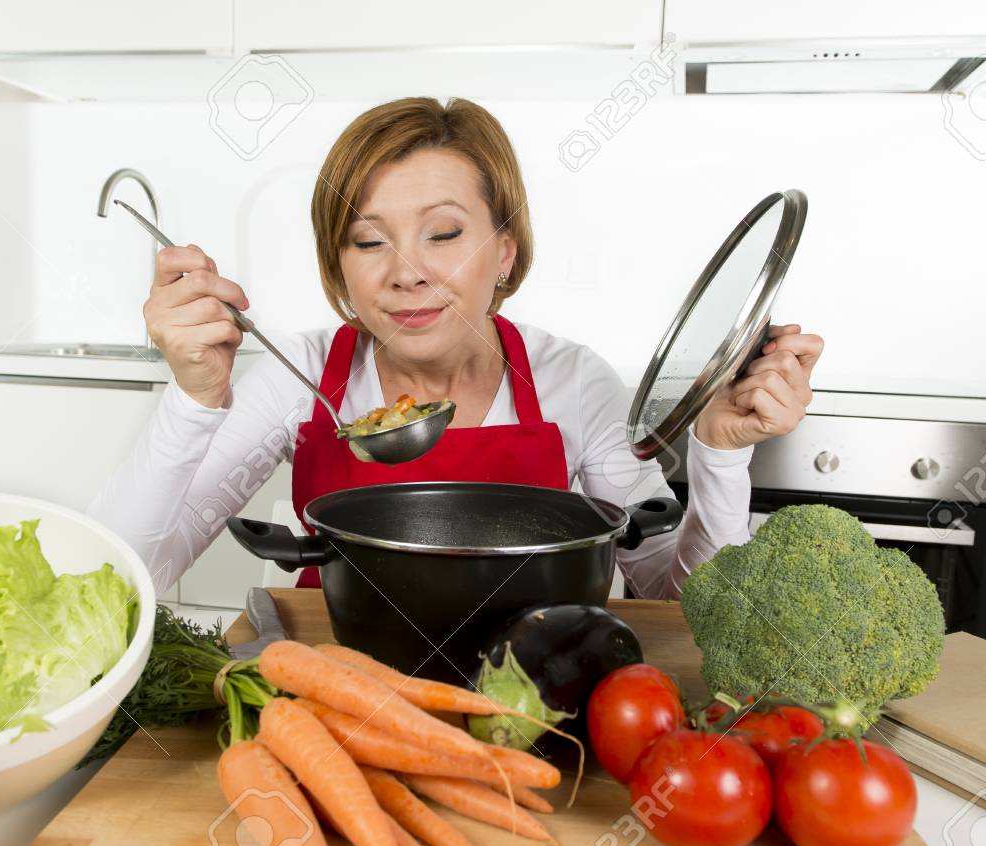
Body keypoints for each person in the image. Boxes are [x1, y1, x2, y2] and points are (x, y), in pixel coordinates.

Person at [88, 97, 823, 599]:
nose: (406, 271)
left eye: (443, 234)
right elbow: (131, 575)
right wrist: (194, 400)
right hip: (340, 697)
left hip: (537, 703)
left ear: (505, 250)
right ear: (337, 261)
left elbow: (678, 593)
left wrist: (719, 455)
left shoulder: (574, 382)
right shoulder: (301, 377)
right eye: (368, 240)